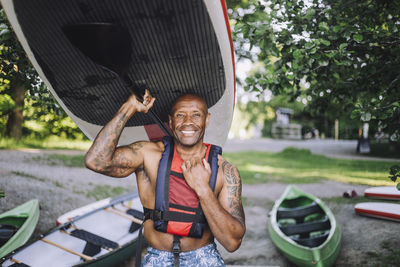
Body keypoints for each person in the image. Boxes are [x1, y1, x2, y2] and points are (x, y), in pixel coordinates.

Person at [85, 90, 246, 266]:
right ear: (170, 121)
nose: (188, 122)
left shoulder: (225, 170)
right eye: (180, 115)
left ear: (207, 120)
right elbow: (96, 161)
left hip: (204, 258)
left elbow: (233, 242)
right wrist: (129, 107)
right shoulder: (148, 154)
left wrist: (203, 189)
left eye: (196, 115)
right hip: (157, 257)